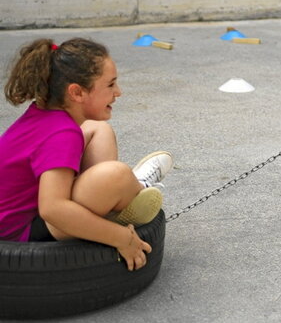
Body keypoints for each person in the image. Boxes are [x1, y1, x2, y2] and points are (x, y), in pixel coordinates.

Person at [0, 38, 174, 270]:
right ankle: (134, 187)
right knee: (116, 174)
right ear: (77, 92)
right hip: (21, 234)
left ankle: (114, 203)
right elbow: (52, 209)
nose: (118, 92)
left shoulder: (45, 115)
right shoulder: (61, 134)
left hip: (26, 214)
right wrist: (120, 237)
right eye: (110, 85)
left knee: (98, 129)